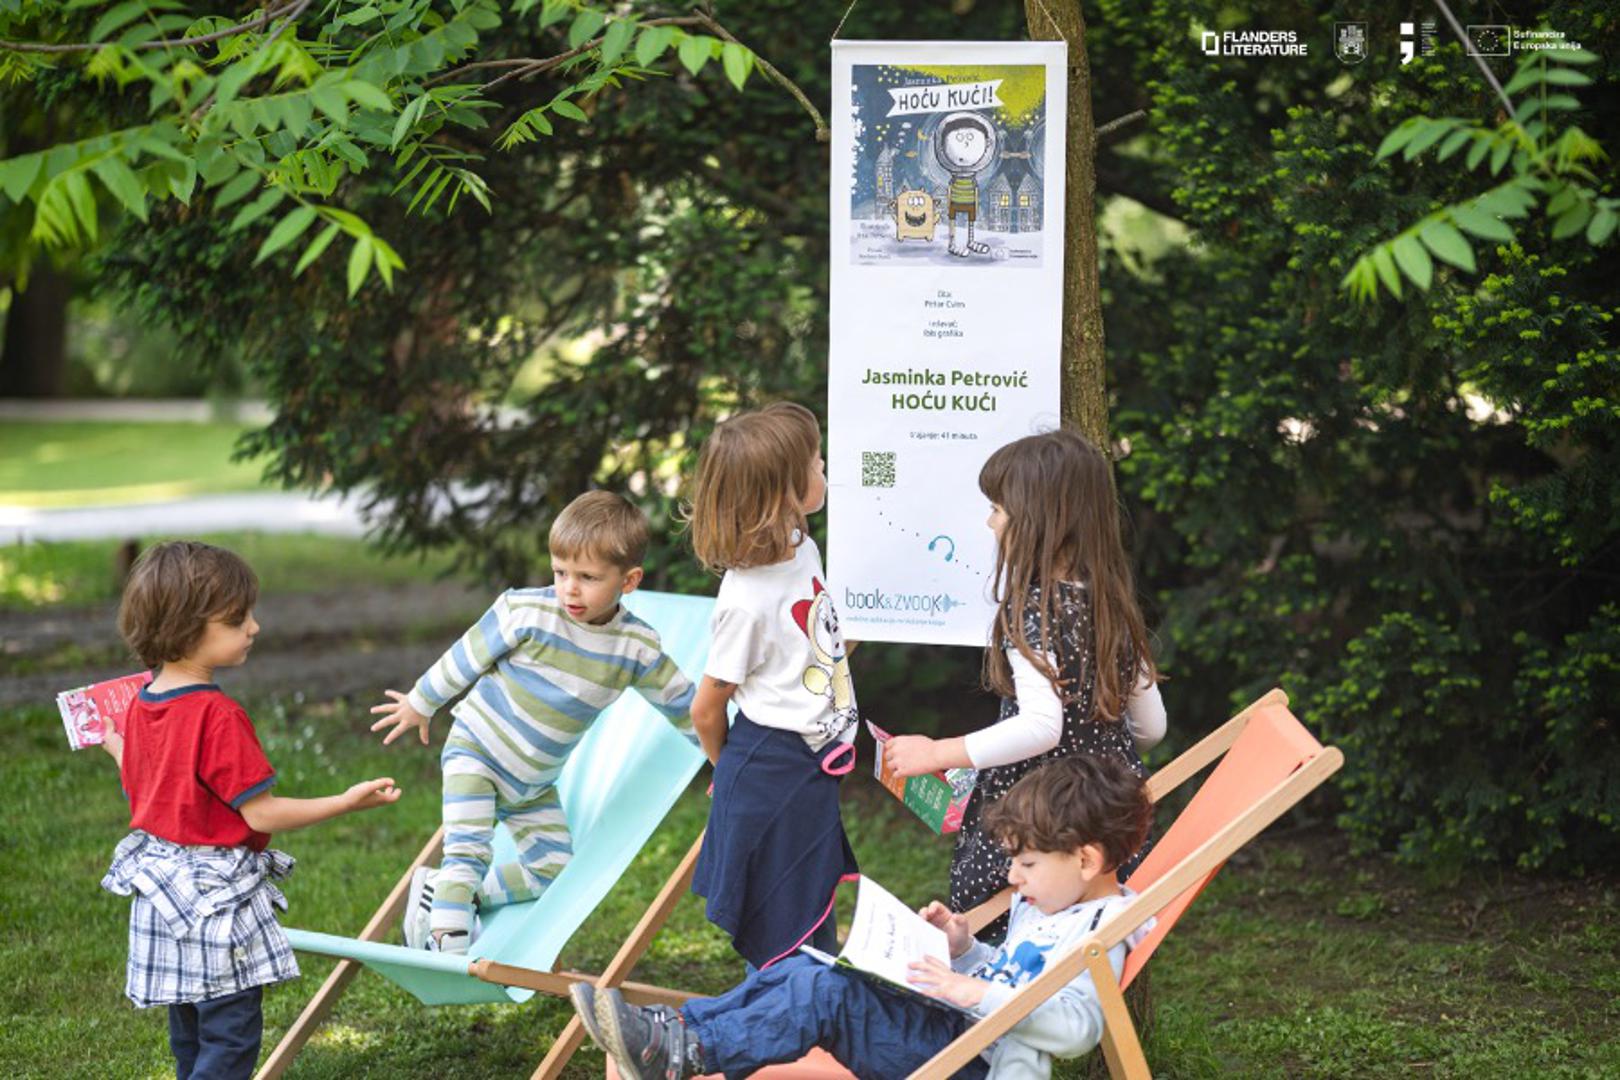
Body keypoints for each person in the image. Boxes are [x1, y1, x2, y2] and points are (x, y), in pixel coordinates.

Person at [574, 754, 1156, 1080]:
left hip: (970, 1064)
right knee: (809, 968)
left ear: (1086, 860)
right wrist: (965, 951)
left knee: (824, 996)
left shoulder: (1103, 931)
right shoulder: (1052, 902)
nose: (1014, 878)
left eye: (1026, 864)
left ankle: (686, 1053)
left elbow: (1078, 1029)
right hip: (947, 1027)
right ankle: (677, 1035)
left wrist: (970, 991)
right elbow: (1014, 975)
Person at [100, 541, 401, 1080]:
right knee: (230, 1035)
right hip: (215, 902)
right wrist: (345, 802)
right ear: (186, 627)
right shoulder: (217, 715)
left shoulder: (142, 704)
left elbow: (148, 790)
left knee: (191, 1034)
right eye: (238, 619)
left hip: (163, 897)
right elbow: (260, 815)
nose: (254, 627)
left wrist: (118, 749)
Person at [369, 490, 697, 953]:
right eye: (561, 572)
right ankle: (447, 950)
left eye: (587, 577)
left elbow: (683, 704)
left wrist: (725, 756)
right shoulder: (525, 611)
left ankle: (450, 896)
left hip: (534, 784)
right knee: (467, 854)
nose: (570, 588)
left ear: (629, 581)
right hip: (477, 754)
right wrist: (421, 702)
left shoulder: (635, 648)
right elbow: (465, 657)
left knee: (553, 871)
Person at [883, 429, 1166, 919]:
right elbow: (1152, 727)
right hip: (1111, 823)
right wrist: (1097, 750)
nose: (990, 522)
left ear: (1037, 520)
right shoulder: (1114, 605)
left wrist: (936, 752)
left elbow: (1040, 727)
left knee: (1006, 932)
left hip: (1044, 824)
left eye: (998, 508)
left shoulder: (1033, 610)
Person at [682, 402, 861, 969]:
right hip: (770, 769)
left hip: (809, 768)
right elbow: (706, 709)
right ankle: (777, 1014)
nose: (824, 465)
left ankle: (808, 1010)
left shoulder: (802, 549)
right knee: (784, 927)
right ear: (783, 492)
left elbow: (815, 646)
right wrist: (727, 773)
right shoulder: (746, 600)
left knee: (813, 904)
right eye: (815, 462)